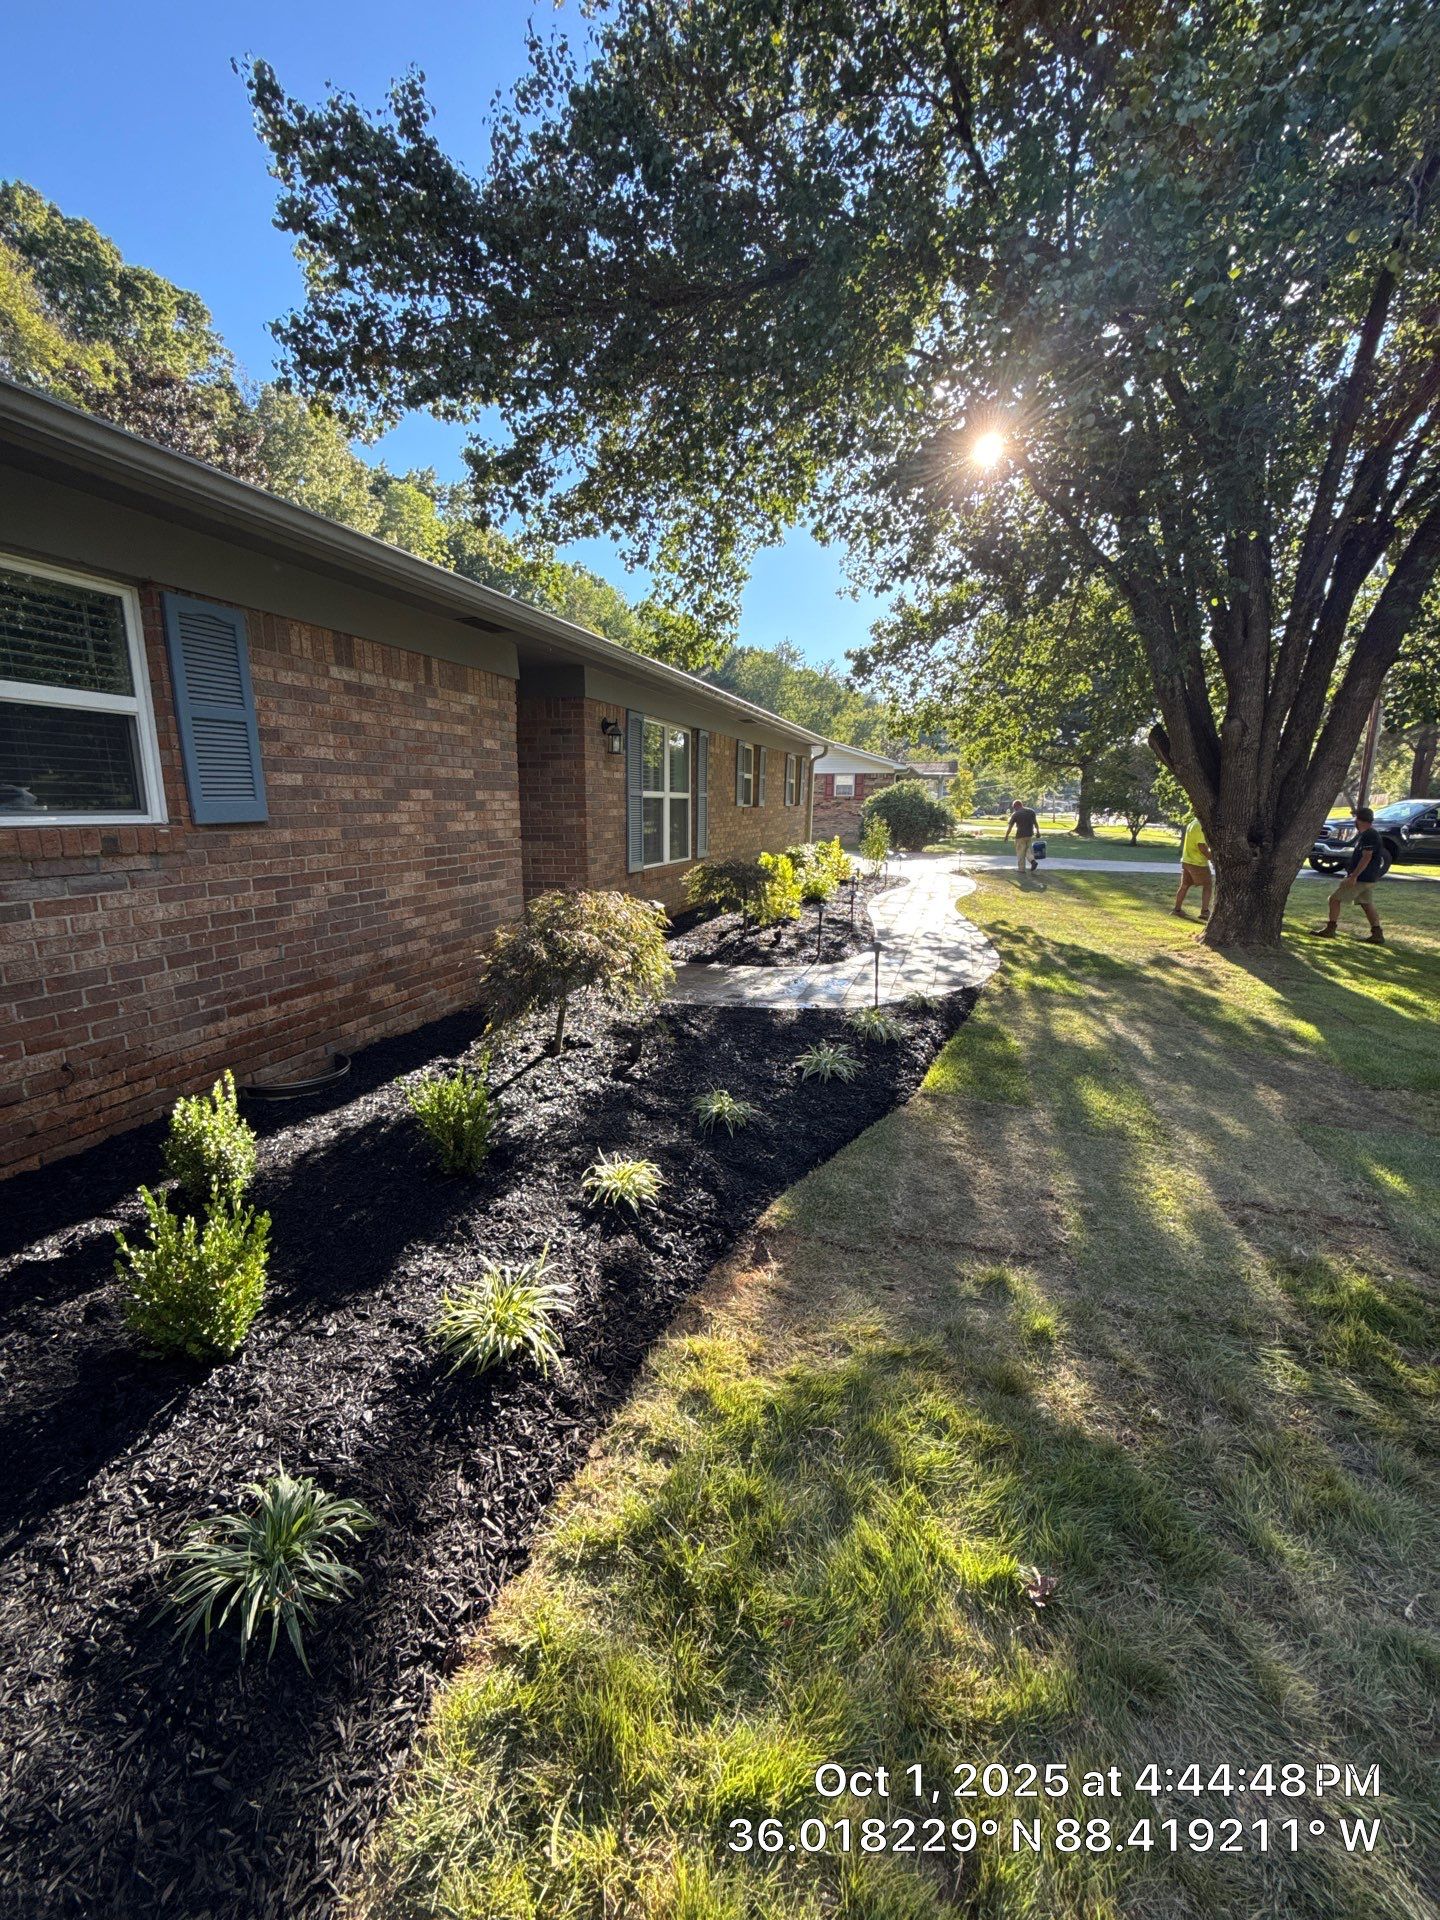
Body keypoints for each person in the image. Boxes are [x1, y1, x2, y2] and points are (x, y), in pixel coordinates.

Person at [1313, 806, 1388, 943]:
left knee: (1334, 899)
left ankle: (1331, 929)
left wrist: (1354, 876)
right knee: (1366, 904)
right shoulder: (1366, 834)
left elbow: (1367, 857)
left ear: (1360, 820)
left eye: (1356, 818)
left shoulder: (1369, 835)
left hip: (1362, 878)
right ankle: (1377, 933)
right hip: (1368, 878)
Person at [1174, 815, 1212, 921]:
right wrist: (1212, 857)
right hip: (1197, 862)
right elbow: (1202, 846)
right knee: (1208, 885)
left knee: (1184, 885)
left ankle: (1177, 910)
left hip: (1187, 860)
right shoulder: (1200, 826)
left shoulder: (1192, 823)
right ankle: (1204, 912)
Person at [1004, 800, 1039, 877]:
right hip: (1029, 835)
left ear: (1017, 806)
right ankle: (1033, 861)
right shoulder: (1031, 811)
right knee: (1027, 850)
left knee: (1020, 852)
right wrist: (1038, 832)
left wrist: (1006, 836)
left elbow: (1010, 827)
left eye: (1014, 807)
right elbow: (1035, 823)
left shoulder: (1016, 814)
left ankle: (1021, 869)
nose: (1014, 809)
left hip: (1020, 836)